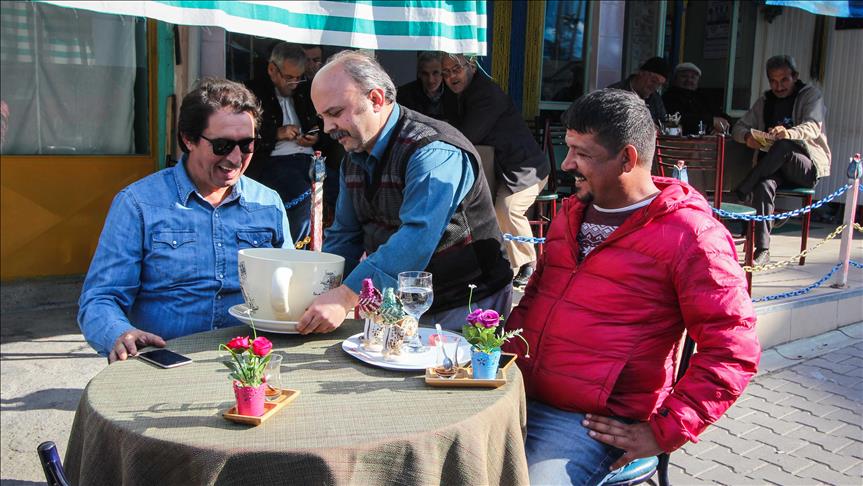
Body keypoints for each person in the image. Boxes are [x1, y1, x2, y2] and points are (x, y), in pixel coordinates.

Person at [502, 89, 760, 485]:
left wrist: (665, 431)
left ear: (627, 158)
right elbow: (536, 298)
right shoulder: (570, 214)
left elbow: (733, 349)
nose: (567, 164)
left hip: (592, 421)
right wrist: (496, 358)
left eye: (582, 153)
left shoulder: (691, 235)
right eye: (568, 149)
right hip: (516, 392)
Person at [298, 51, 513, 333]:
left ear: (376, 99)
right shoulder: (354, 155)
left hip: (467, 302)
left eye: (335, 113)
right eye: (322, 117)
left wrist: (346, 296)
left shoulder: (433, 150)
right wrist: (320, 291)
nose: (327, 128)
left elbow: (417, 238)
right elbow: (344, 236)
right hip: (400, 302)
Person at [78, 78, 291, 362]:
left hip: (249, 362)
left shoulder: (268, 203)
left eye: (246, 144)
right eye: (223, 145)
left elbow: (290, 285)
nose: (236, 157)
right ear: (188, 139)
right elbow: (100, 298)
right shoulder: (138, 204)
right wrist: (119, 333)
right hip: (166, 359)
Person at [441, 53, 549, 287]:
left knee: (508, 209)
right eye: (445, 73)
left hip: (527, 168)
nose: (451, 77)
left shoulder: (486, 94)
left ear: (472, 66)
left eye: (456, 69)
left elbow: (468, 135)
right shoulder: (458, 95)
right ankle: (503, 266)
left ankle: (530, 265)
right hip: (500, 170)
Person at [732, 54, 831, 265]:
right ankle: (763, 250)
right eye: (773, 81)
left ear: (795, 76)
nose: (779, 86)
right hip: (773, 168)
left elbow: (813, 126)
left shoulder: (811, 95)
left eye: (784, 79)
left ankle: (744, 187)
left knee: (784, 146)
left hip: (804, 167)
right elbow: (738, 127)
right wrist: (747, 137)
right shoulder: (765, 101)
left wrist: (789, 133)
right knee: (764, 185)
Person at [245, 42, 321, 244]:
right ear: (272, 69)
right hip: (274, 163)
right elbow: (244, 137)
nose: (294, 83)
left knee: (338, 190)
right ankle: (292, 250)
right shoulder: (252, 94)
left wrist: (314, 136)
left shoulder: (305, 91)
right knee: (303, 196)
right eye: (289, 77)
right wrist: (276, 134)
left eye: (298, 77)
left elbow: (319, 124)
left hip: (310, 159)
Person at [662, 62, 730, 135]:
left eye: (693, 77)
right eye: (684, 76)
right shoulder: (669, 96)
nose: (689, 80)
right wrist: (711, 121)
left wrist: (720, 127)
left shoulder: (703, 96)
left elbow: (723, 116)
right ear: (675, 79)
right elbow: (679, 119)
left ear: (698, 80)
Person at [608, 56, 669, 125]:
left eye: (659, 84)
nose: (655, 87)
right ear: (641, 73)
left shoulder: (655, 98)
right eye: (653, 81)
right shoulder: (614, 93)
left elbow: (664, 123)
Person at [396, 51, 457, 121]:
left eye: (435, 73)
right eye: (425, 74)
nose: (430, 80)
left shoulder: (455, 93)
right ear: (419, 74)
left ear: (443, 72)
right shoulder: (403, 95)